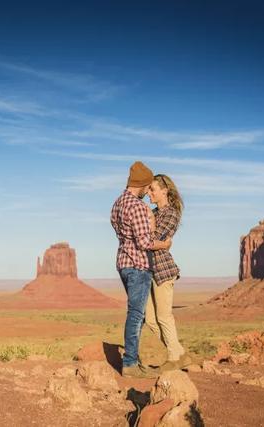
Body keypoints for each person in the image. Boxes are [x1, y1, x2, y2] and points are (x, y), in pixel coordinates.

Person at [110, 161, 172, 378]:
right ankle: (130, 364)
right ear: (142, 184)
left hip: (123, 264)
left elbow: (120, 231)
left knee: (137, 314)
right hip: (138, 265)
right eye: (147, 187)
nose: (148, 192)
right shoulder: (136, 206)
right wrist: (164, 244)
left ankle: (135, 359)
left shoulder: (118, 203)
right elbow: (145, 242)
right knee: (136, 315)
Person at [144, 174, 189, 371]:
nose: (149, 193)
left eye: (152, 189)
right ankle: (179, 353)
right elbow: (150, 241)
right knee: (150, 319)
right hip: (148, 271)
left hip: (163, 270)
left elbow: (149, 240)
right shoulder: (154, 212)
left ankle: (173, 357)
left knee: (164, 316)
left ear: (164, 191)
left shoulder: (170, 213)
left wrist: (156, 238)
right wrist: (162, 243)